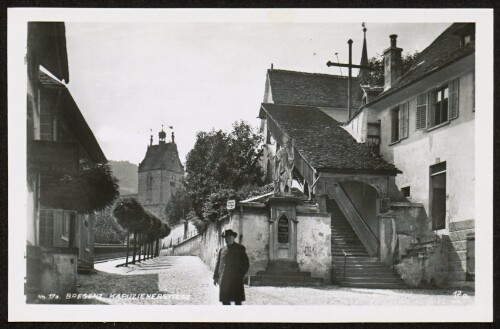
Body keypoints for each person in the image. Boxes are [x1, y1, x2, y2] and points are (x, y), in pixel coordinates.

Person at [213, 229, 250, 305]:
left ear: (233, 238)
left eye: (229, 237)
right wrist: (216, 277)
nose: (227, 239)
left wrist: (241, 274)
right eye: (226, 238)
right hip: (224, 279)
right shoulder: (222, 249)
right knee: (225, 301)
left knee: (237, 301)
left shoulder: (240, 248)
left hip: (236, 279)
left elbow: (246, 264)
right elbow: (218, 263)